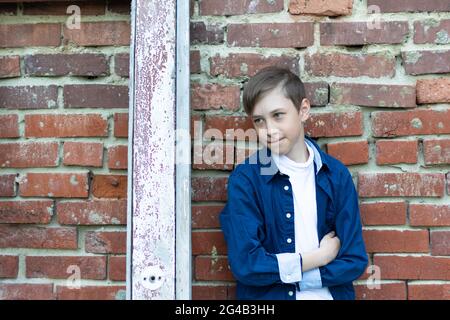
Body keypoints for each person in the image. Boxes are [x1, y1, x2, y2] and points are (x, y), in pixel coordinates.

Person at [219, 66, 368, 300]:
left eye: (278, 115)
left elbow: (354, 260)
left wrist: (298, 277)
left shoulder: (335, 175)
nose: (269, 130)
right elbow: (247, 264)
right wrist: (321, 257)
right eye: (259, 121)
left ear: (303, 110)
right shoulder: (247, 180)